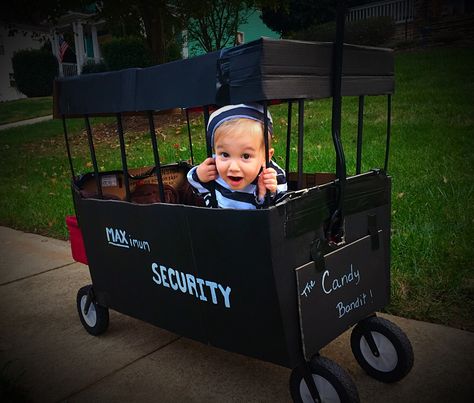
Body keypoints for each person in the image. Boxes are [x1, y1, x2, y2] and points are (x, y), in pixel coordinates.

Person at [187, 103, 287, 209]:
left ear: (265, 157)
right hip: (218, 222)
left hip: (252, 224)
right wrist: (199, 176)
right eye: (225, 154)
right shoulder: (213, 169)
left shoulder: (271, 176)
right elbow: (196, 190)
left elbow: (279, 213)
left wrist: (264, 194)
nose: (233, 167)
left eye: (246, 156)